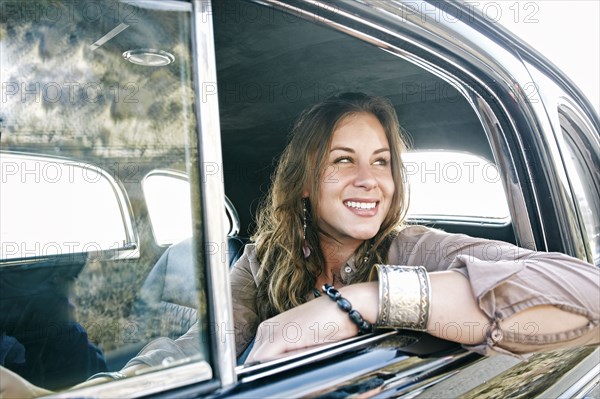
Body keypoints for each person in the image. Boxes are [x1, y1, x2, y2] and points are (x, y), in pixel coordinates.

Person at [230, 92, 600, 363]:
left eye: (381, 162)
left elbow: (591, 293)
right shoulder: (260, 260)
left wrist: (365, 300)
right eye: (343, 160)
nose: (368, 179)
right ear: (305, 183)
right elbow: (200, 347)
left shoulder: (416, 250)